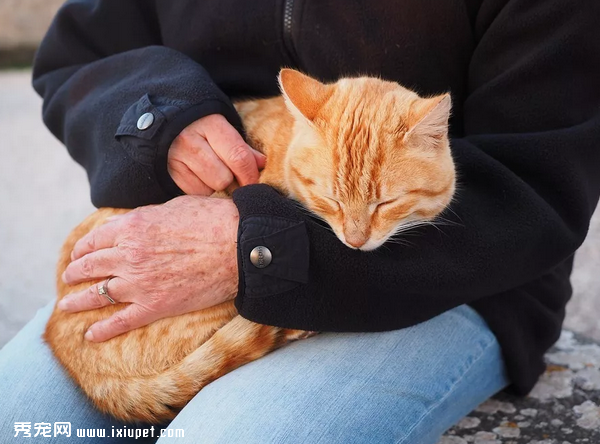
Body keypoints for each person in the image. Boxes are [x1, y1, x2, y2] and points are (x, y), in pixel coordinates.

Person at [1, 0, 599, 442]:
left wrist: (260, 250)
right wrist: (159, 117)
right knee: (20, 420)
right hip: (213, 209)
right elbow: (77, 52)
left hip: (451, 269)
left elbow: (538, 180)